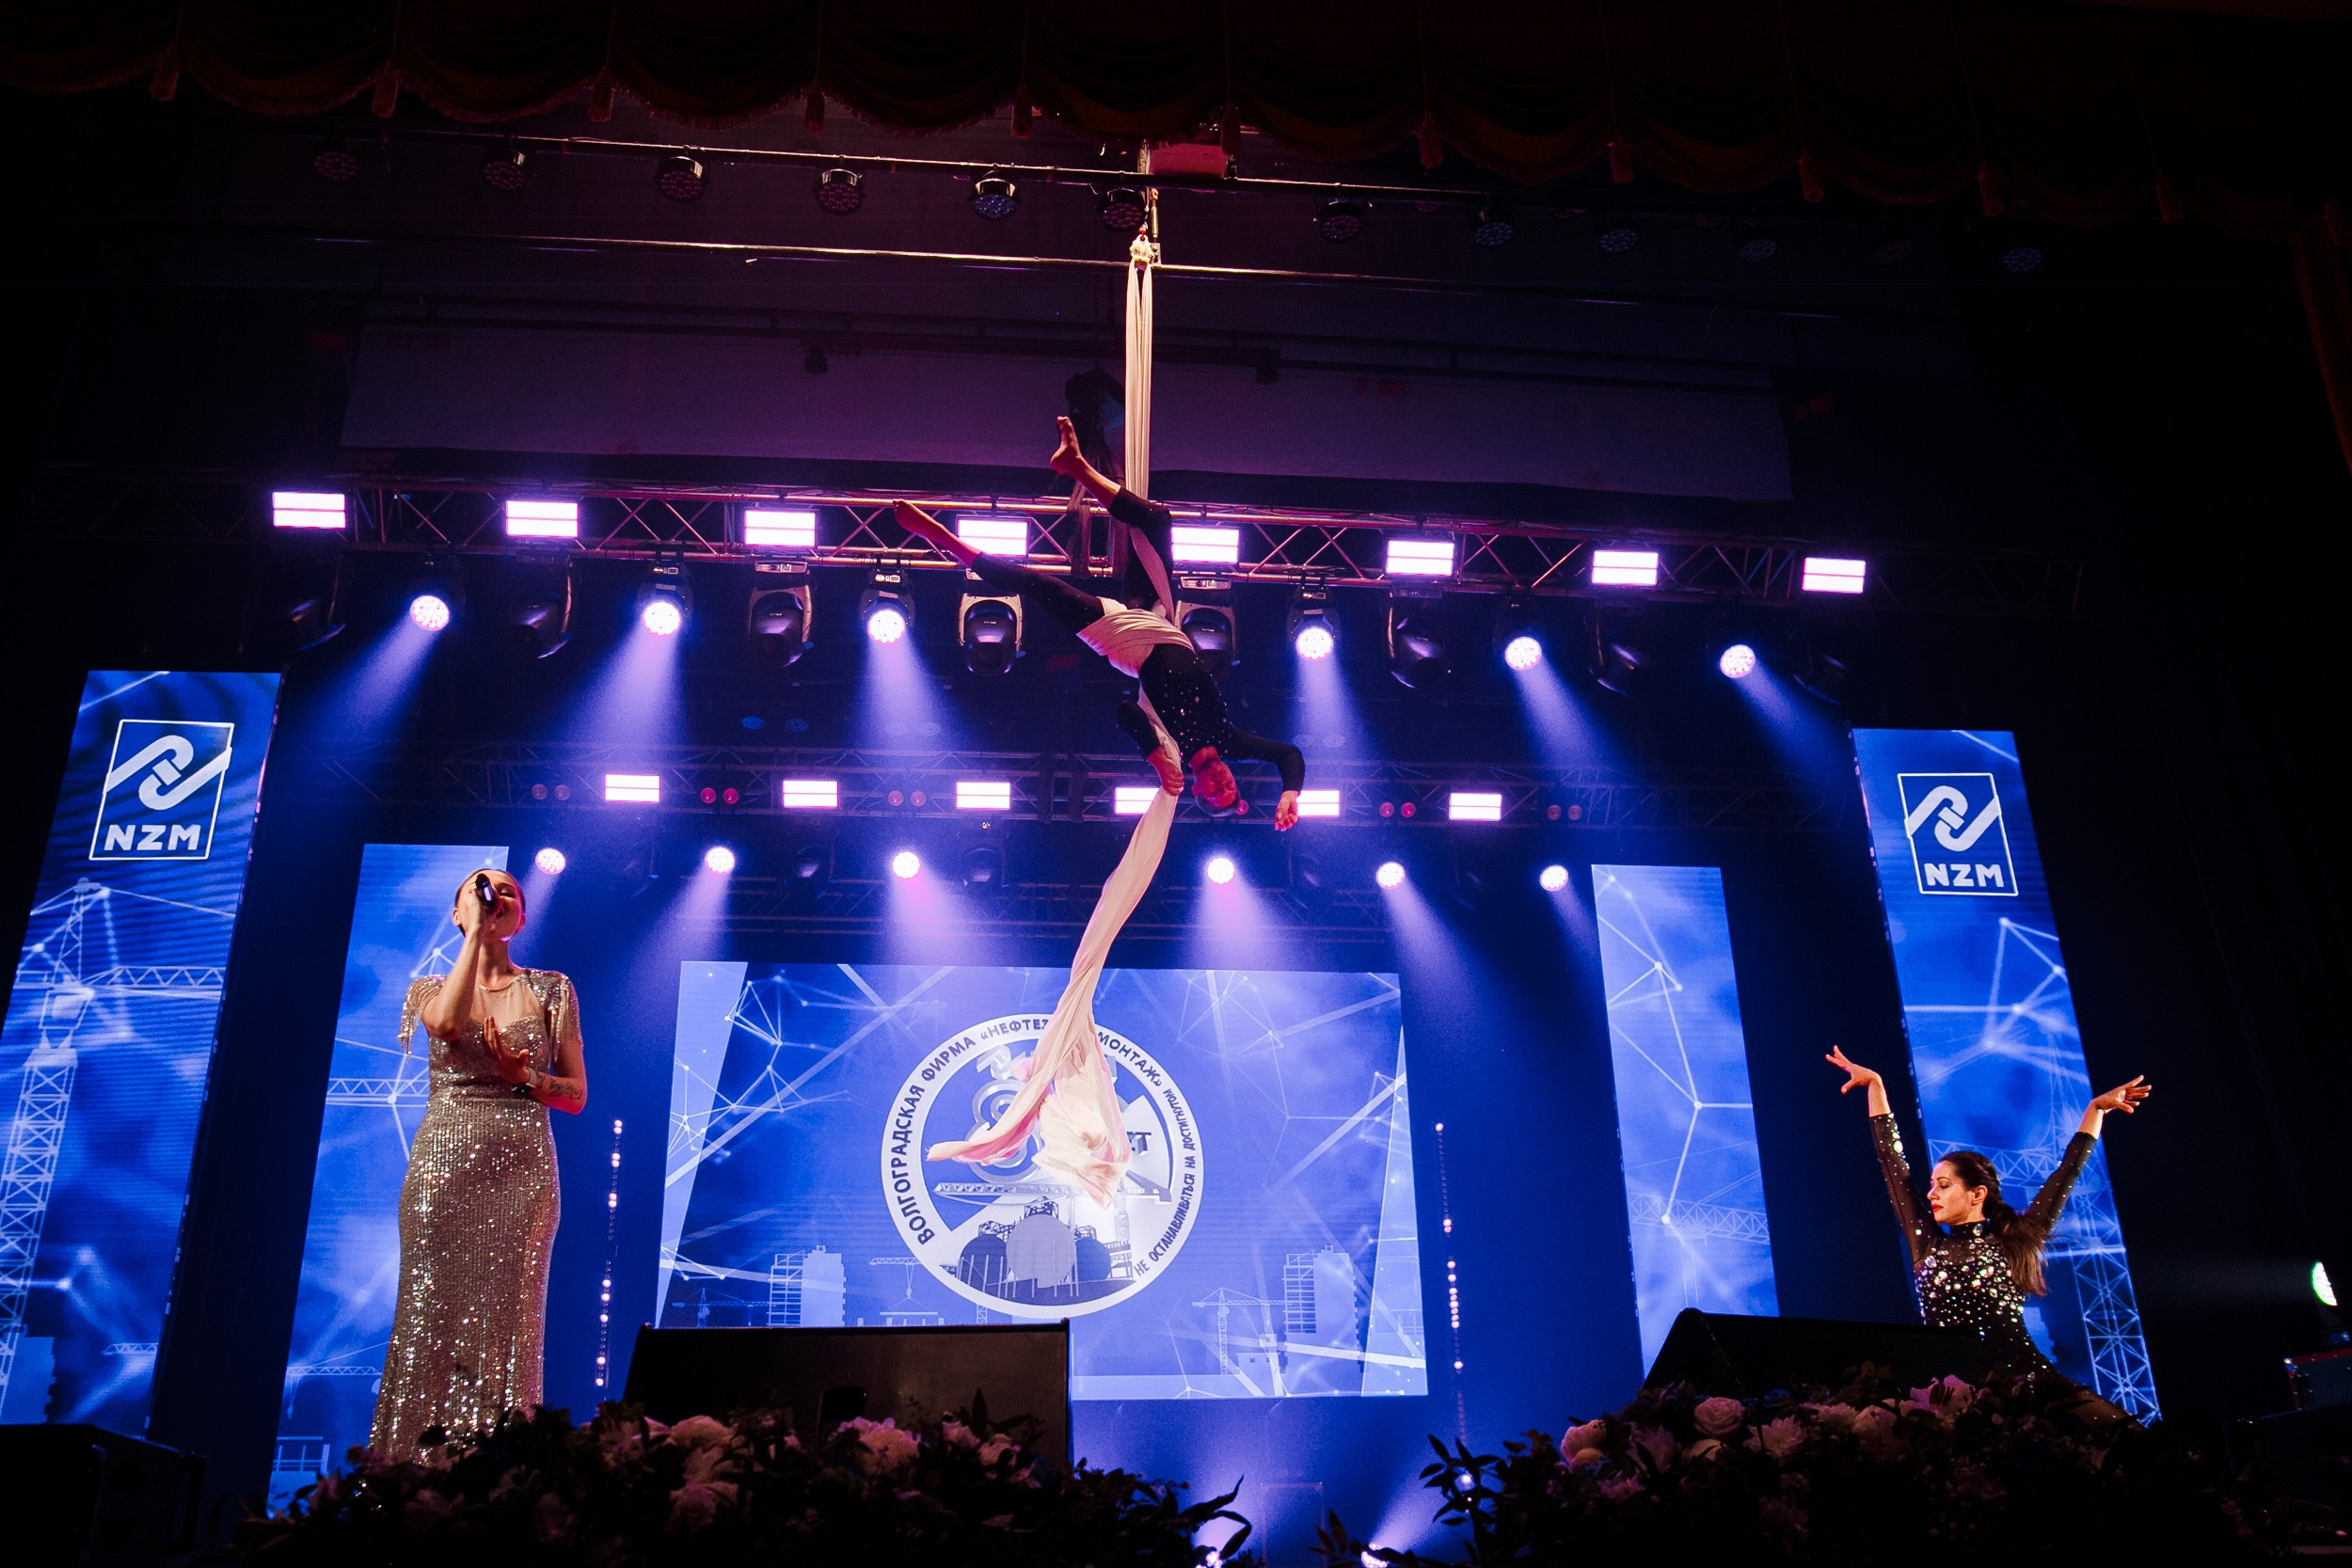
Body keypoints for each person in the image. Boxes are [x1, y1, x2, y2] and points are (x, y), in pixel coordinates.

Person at [894, 446, 1303, 828]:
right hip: (1160, 615)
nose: (1222, 783)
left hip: (1127, 641)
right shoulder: (1229, 741)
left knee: (1042, 587)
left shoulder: (1172, 752)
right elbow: (1288, 754)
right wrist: (1289, 793)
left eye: (1215, 792)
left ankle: (940, 537)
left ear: (1196, 790)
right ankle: (1076, 466)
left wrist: (1157, 758)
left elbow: (1126, 713)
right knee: (1157, 520)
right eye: (1230, 786)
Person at [371, 867, 586, 1457]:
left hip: (521, 1169)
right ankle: (411, 1469)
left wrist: (525, 1075)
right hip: (443, 1167)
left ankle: (500, 1465)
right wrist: (474, 937)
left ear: (522, 916)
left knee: (510, 1317)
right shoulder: (427, 989)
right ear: (457, 912)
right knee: (428, 1312)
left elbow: (575, 1094)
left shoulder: (552, 989)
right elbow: (445, 1025)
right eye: (481, 890)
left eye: (509, 891)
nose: (496, 897)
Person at [1825, 1045, 2150, 1402]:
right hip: (1951, 1396)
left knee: (2112, 1428)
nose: (1931, 1194)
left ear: (1977, 1194)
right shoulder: (1927, 1245)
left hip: (2026, 1386)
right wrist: (1876, 1086)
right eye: (1932, 1185)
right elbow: (1892, 1163)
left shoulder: (2015, 1239)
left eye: (1943, 1185)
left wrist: (2095, 1110)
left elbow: (2066, 1173)